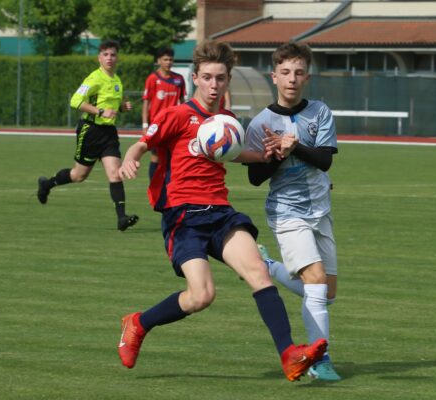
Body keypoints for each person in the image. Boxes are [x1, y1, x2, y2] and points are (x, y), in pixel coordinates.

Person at [116, 39, 327, 382]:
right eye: (208, 78)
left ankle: (289, 355)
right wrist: (129, 160)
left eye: (221, 79)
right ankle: (139, 323)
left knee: (258, 271)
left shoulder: (227, 119)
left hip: (221, 213)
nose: (214, 85)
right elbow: (142, 144)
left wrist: (271, 154)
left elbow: (237, 153)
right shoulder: (178, 114)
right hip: (184, 216)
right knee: (202, 295)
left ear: (228, 80)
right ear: (195, 78)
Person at [245, 41, 341, 381]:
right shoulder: (261, 124)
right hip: (287, 212)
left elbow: (325, 159)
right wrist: (277, 155)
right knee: (314, 282)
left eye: (299, 72)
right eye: (285, 72)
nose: (292, 78)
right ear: (274, 76)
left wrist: (294, 146)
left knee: (326, 295)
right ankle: (320, 361)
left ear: (307, 76)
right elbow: (255, 178)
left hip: (320, 210)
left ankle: (269, 266)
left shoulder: (320, 112)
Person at [37, 40, 138, 232]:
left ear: (117, 58)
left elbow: (111, 107)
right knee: (78, 175)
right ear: (99, 57)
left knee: (115, 174)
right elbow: (75, 101)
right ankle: (47, 184)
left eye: (113, 55)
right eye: (106, 54)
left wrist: (122, 108)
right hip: (90, 131)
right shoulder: (93, 78)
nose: (109, 58)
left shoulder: (117, 80)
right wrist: (100, 111)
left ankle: (122, 218)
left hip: (109, 133)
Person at [141, 47, 186, 180]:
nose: (168, 62)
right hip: (157, 126)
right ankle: (155, 187)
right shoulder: (152, 79)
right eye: (165, 59)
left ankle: (168, 188)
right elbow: (146, 103)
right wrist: (145, 125)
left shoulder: (179, 79)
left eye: (170, 59)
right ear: (159, 61)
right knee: (156, 156)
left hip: (173, 126)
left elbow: (182, 102)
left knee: (172, 156)